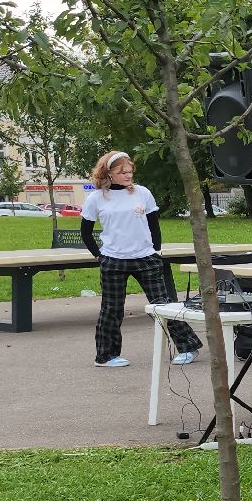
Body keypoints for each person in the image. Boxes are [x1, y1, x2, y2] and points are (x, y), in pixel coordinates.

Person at [80, 151, 202, 368]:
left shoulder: (142, 193)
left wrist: (155, 249)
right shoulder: (96, 198)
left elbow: (154, 224)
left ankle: (188, 347)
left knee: (162, 304)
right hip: (113, 261)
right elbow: (86, 231)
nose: (128, 175)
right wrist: (98, 255)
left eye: (130, 171)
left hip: (146, 258)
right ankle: (106, 356)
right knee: (111, 309)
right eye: (122, 172)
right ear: (109, 173)